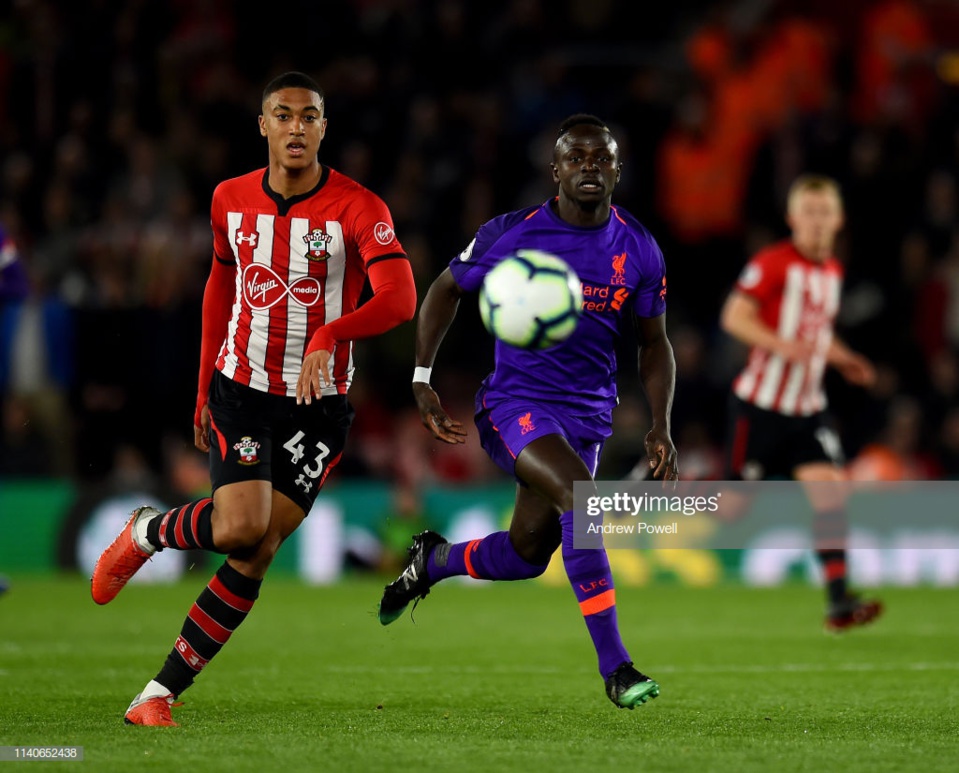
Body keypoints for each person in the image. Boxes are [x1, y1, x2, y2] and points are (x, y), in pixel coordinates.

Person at [91, 71, 416, 726]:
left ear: (323, 128)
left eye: (309, 115)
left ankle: (156, 693)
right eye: (282, 114)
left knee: (257, 548)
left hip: (318, 403)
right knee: (240, 526)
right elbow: (219, 285)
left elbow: (400, 299)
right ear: (263, 125)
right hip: (241, 386)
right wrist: (203, 379)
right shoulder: (228, 200)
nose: (296, 126)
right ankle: (149, 529)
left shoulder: (359, 207)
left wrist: (331, 330)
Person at [378, 114, 679, 710]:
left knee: (524, 554)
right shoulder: (510, 233)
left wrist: (660, 422)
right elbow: (444, 289)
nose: (589, 167)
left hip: (587, 415)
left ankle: (432, 562)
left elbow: (653, 343)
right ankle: (616, 668)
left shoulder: (639, 247)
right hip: (514, 404)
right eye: (577, 158)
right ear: (556, 169)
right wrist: (421, 377)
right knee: (582, 499)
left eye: (602, 158)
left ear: (617, 170)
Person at [719, 173, 882, 632]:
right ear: (792, 218)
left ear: (839, 219)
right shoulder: (773, 263)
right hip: (759, 408)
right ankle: (663, 485)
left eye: (824, 212)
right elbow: (734, 316)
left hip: (807, 409)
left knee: (831, 494)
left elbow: (817, 331)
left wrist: (846, 359)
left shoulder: (832, 271)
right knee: (732, 509)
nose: (816, 222)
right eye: (807, 212)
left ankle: (838, 601)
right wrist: (779, 344)